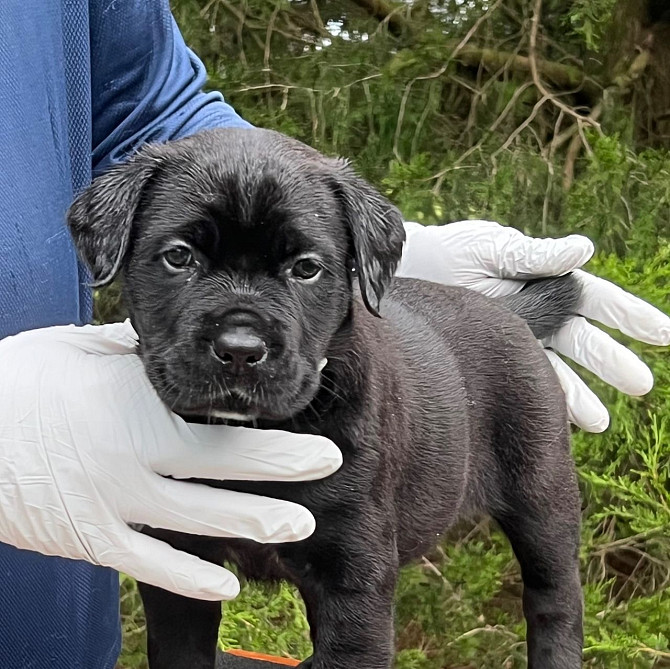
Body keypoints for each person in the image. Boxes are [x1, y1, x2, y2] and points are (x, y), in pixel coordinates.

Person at [0, 2, 668, 668]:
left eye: (304, 266)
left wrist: (338, 227)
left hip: (58, 640)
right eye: (181, 258)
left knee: (547, 554)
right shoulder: (108, 406)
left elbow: (148, 108)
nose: (239, 336)